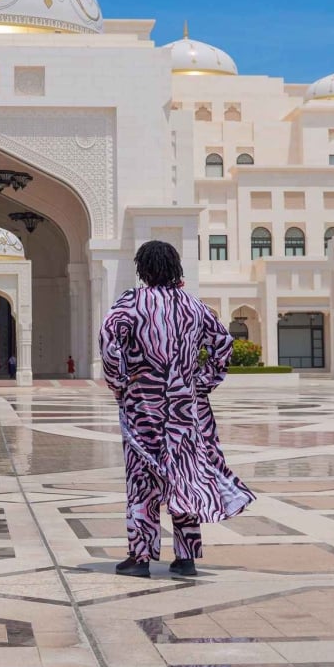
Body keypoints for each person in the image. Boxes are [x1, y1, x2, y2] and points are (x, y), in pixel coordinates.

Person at [100, 240, 254, 578]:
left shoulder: (130, 304)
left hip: (144, 405)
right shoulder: (194, 306)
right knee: (183, 475)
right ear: (175, 268)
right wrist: (201, 382)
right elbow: (223, 346)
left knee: (143, 478)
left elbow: (110, 344)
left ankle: (140, 557)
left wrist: (121, 382)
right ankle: (186, 557)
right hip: (186, 409)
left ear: (142, 269)